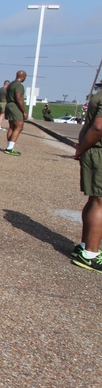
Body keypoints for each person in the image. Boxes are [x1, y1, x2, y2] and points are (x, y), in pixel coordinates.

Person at [72, 86, 102, 273]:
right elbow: (98, 126)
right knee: (100, 203)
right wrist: (81, 149)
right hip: (99, 151)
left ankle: (85, 246)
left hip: (94, 151)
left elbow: (88, 126)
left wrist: (81, 147)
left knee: (95, 200)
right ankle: (91, 254)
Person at [4, 71, 27, 155]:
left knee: (12, 127)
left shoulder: (11, 84)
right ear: (23, 77)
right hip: (15, 106)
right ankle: (10, 148)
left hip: (9, 104)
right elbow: (19, 98)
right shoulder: (19, 85)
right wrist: (24, 111)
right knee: (19, 126)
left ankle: (8, 146)